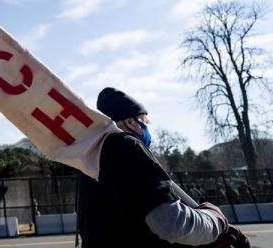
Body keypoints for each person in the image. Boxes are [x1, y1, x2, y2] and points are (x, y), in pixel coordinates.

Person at [78, 87, 251, 248]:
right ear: (131, 122)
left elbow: (130, 227)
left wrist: (199, 240)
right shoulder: (127, 145)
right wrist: (215, 220)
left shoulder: (91, 162)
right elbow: (170, 224)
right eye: (145, 121)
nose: (146, 127)